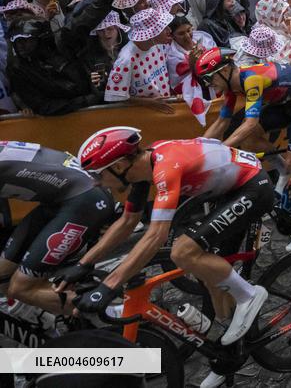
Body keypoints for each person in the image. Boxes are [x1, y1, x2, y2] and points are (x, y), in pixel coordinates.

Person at [69, 128, 273, 347]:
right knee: (209, 275)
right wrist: (84, 263)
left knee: (182, 252)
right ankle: (229, 349)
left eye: (97, 175)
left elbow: (157, 234)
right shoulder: (144, 166)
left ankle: (248, 296)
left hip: (253, 187)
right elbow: (128, 221)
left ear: (118, 166)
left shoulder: (165, 168)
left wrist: (108, 286)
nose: (97, 183)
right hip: (228, 191)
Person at [196, 47, 291, 250]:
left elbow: (249, 123)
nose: (209, 84)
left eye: (209, 78)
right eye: (205, 80)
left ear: (226, 70)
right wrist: (197, 147)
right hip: (286, 103)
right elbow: (222, 121)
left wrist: (221, 149)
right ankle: (283, 173)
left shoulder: (251, 79)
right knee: (250, 140)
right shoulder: (231, 88)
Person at [0, 141, 115, 316]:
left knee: (20, 288)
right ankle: (43, 322)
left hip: (84, 201)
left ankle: (116, 316)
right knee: (3, 277)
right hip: (62, 200)